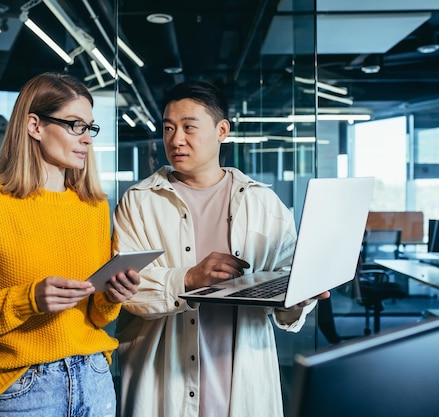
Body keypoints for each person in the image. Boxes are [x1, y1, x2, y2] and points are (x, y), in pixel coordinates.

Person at [112, 80, 329, 417]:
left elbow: (287, 282)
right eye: (168, 128)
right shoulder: (139, 202)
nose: (175, 139)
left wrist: (297, 299)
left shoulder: (262, 202)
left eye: (188, 127)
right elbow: (127, 291)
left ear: (222, 130)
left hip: (240, 377)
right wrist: (189, 277)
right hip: (163, 381)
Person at [0, 72, 140, 417]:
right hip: (25, 387)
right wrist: (28, 300)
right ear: (35, 125)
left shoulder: (93, 207)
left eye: (90, 127)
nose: (87, 139)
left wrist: (113, 295)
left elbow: (97, 316)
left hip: (95, 377)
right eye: (75, 125)